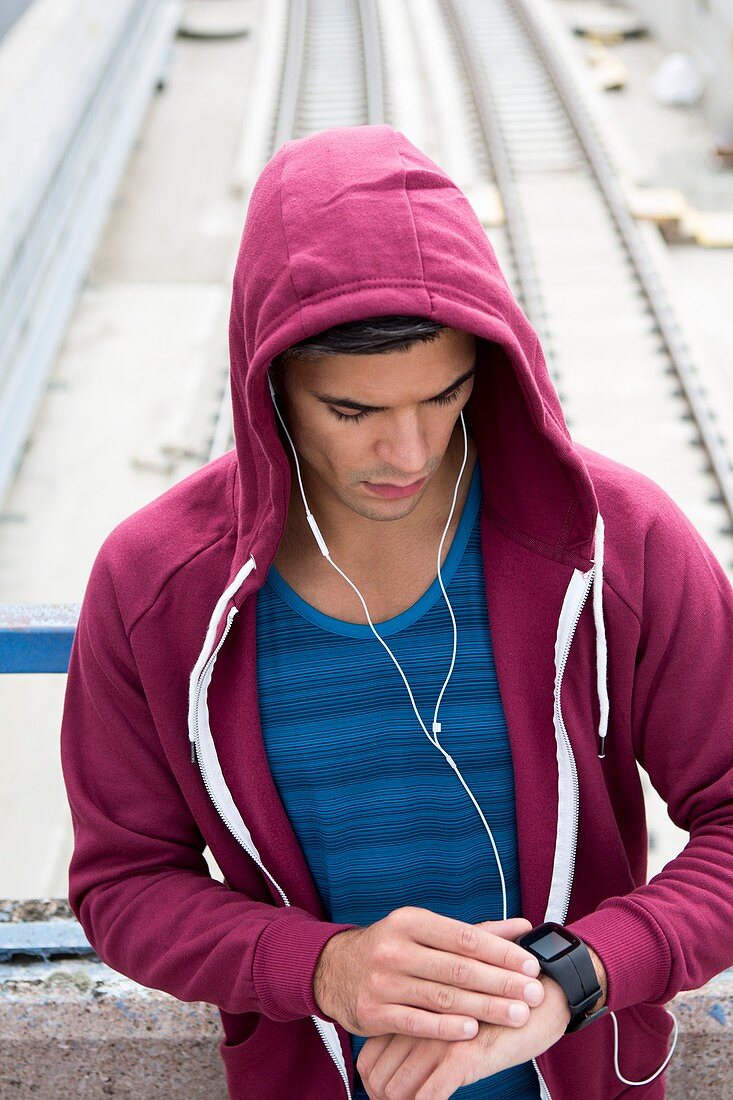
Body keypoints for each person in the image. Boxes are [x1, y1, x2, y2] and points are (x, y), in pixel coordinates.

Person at [59, 124, 733, 1100]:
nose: (408, 452)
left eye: (444, 393)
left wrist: (581, 973)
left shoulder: (616, 537)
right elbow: (122, 885)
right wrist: (321, 964)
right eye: (352, 410)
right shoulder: (155, 581)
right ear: (268, 377)